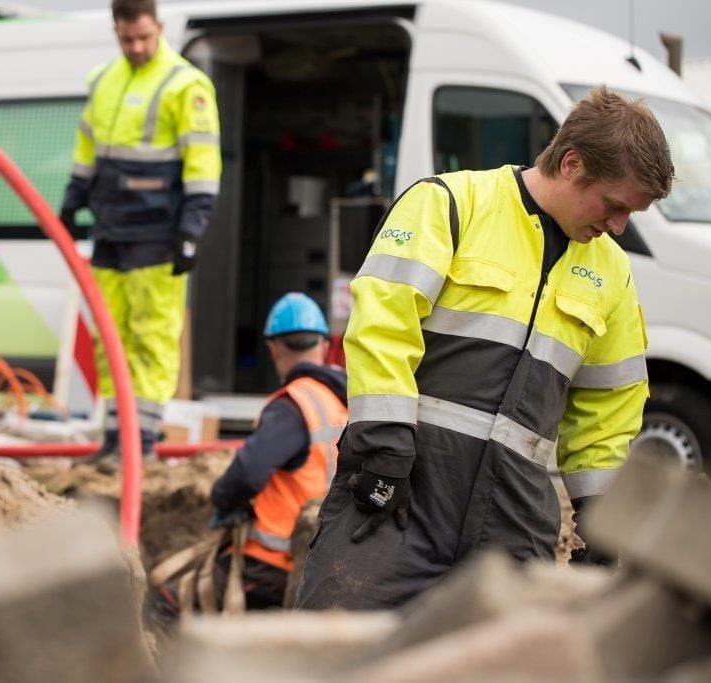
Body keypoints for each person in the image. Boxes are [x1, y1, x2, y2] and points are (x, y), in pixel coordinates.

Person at [295, 86, 675, 610]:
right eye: (613, 205)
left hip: (513, 529)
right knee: (339, 655)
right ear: (571, 163)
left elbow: (607, 412)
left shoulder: (612, 273)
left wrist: (604, 523)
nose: (617, 226)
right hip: (399, 497)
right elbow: (383, 325)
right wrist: (383, 442)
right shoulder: (450, 205)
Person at [60, 0, 221, 467]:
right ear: (115, 30)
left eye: (144, 38)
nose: (136, 47)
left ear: (160, 28)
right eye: (127, 39)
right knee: (109, 337)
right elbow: (87, 151)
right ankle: (114, 440)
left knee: (152, 337)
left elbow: (203, 166)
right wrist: (72, 199)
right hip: (110, 229)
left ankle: (143, 444)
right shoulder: (103, 81)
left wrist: (191, 231)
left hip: (158, 234)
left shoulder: (186, 85)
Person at [151, 293, 347, 620]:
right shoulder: (344, 403)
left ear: (273, 347)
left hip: (271, 564)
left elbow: (246, 473)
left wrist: (225, 502)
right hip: (323, 562)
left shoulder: (292, 406)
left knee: (166, 605)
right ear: (325, 345)